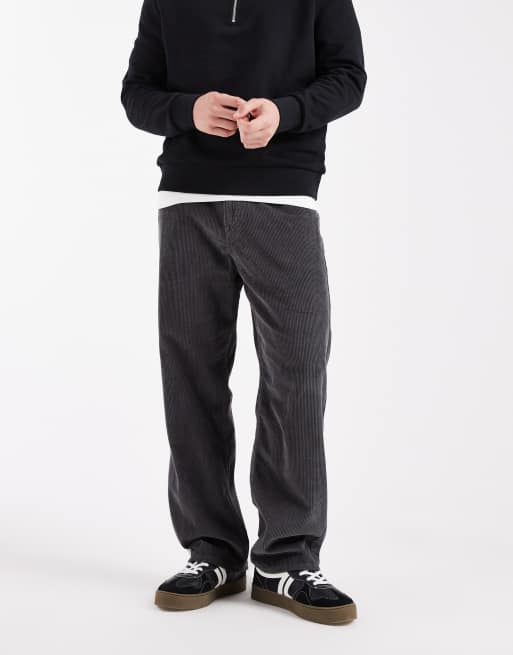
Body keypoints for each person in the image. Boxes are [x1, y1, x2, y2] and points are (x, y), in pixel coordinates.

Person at [121, 0, 366, 625]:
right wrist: (189, 111)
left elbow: (348, 77)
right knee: (191, 376)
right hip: (187, 199)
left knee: (296, 372)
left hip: (284, 196)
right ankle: (213, 551)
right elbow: (137, 93)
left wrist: (286, 113)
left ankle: (287, 557)